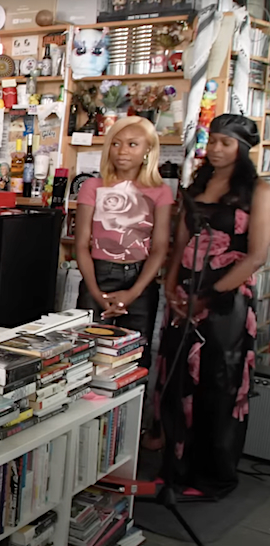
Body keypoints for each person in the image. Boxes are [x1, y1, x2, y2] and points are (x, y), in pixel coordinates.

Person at [155, 115, 269, 499]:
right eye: (213, 141)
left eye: (225, 143)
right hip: (185, 294)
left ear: (242, 147)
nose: (216, 149)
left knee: (219, 387)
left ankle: (212, 478)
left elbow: (256, 258)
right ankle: (176, 470)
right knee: (177, 382)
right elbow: (180, 241)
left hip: (227, 302)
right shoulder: (198, 185)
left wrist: (207, 297)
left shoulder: (259, 191)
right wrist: (171, 286)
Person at [74, 116, 172, 372]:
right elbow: (81, 243)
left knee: (136, 359)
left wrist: (134, 292)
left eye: (132, 144)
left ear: (148, 149)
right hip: (99, 275)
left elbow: (160, 247)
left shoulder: (160, 191)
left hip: (140, 281)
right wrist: (96, 292)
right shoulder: (92, 187)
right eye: (116, 144)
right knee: (87, 356)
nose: (122, 152)